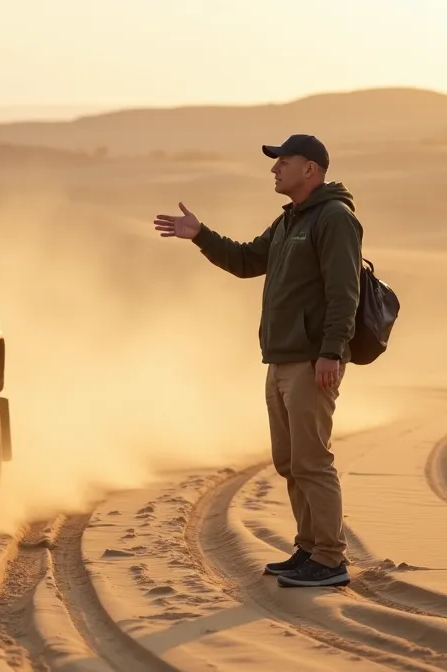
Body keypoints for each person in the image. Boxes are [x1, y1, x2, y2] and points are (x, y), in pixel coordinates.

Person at [153, 133, 362, 588]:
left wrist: (330, 351)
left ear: (311, 169)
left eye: (283, 162)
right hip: (282, 359)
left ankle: (330, 559)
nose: (274, 169)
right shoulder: (289, 221)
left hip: (312, 361)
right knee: (289, 461)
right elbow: (247, 261)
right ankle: (308, 548)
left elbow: (345, 292)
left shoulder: (334, 218)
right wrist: (201, 236)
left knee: (313, 461)